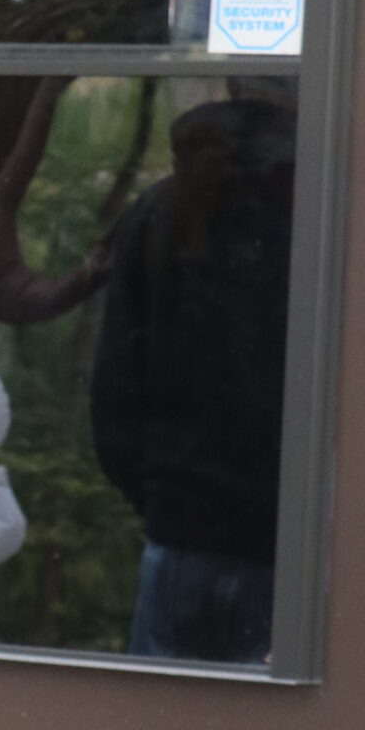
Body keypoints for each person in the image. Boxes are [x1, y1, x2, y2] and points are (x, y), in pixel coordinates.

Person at [90, 88, 297, 664]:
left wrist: (164, 497)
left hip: (182, 529)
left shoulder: (156, 213)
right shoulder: (314, 212)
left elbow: (116, 385)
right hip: (274, 537)